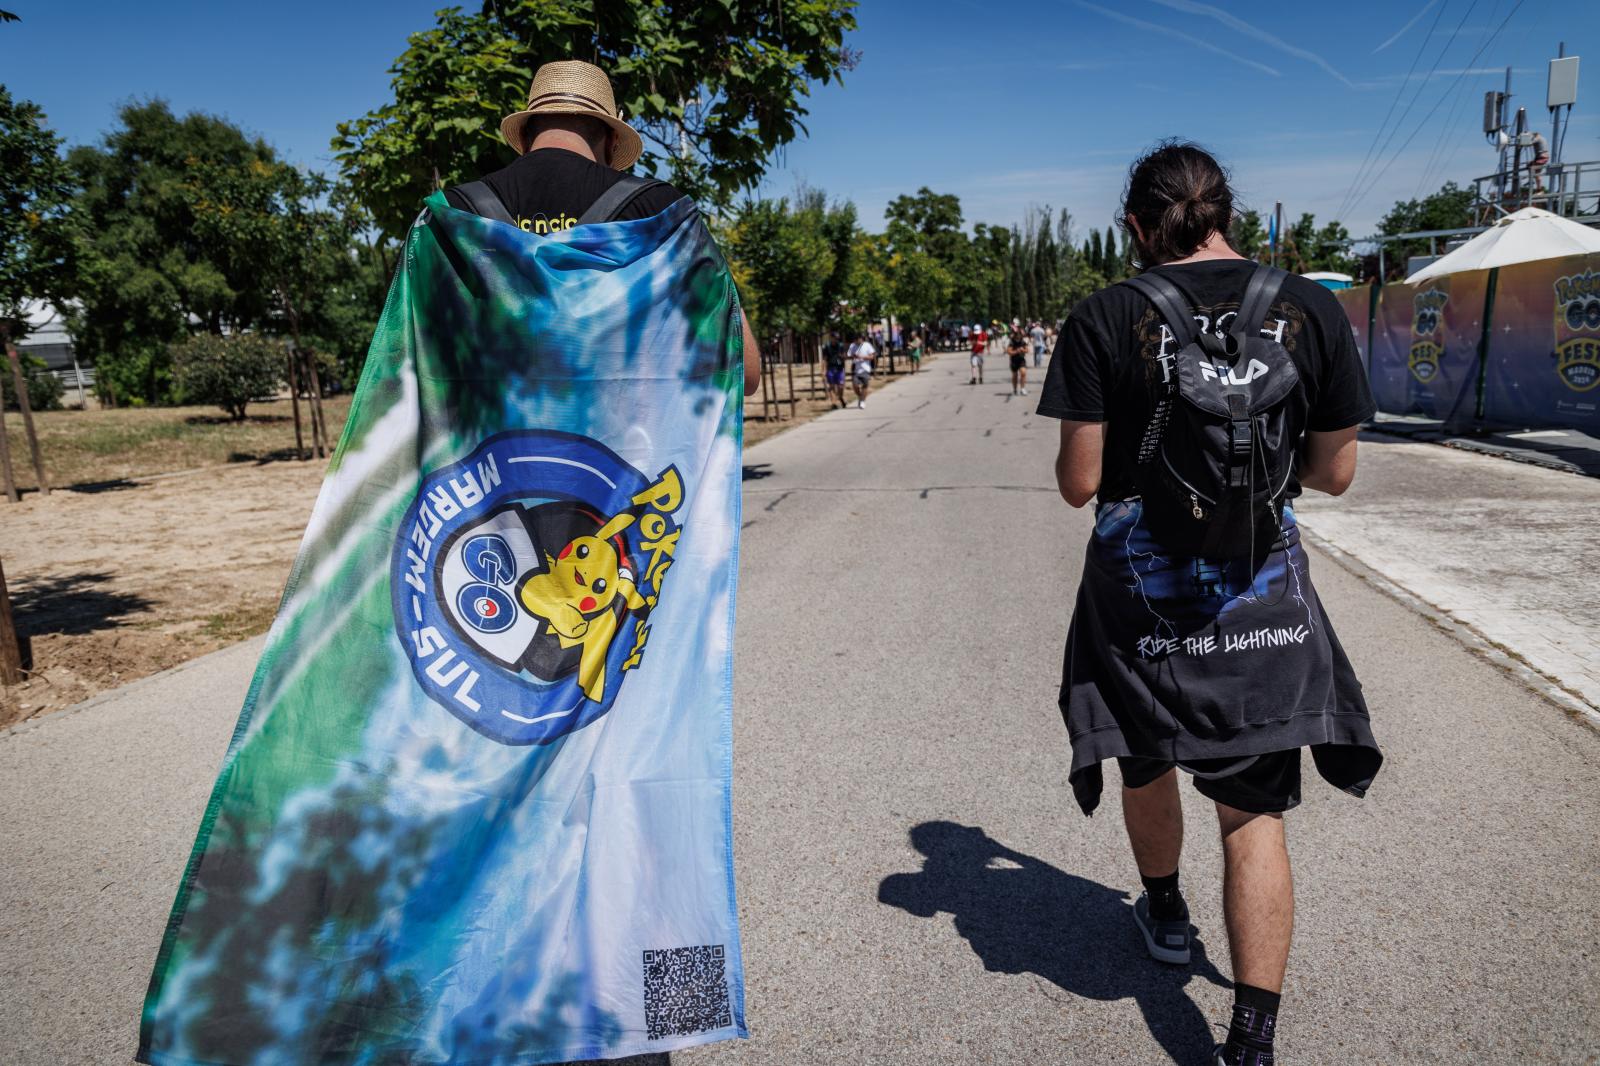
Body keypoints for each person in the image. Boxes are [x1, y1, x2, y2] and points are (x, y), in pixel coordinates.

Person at [1036, 141, 1382, 1066]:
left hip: (1138, 601)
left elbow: (1078, 484)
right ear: (1228, 210)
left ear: (1137, 226)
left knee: (1145, 762)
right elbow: (1336, 474)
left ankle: (1164, 910)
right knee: (1252, 808)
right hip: (1261, 591)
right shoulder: (1307, 307)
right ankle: (1253, 1039)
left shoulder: (1106, 314)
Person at [442, 60, 759, 395]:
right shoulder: (662, 212)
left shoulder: (449, 214)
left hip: (487, 444)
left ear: (524, 136)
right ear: (611, 140)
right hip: (615, 445)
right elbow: (744, 369)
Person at [849, 332, 875, 408]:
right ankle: (860, 397)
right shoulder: (853, 346)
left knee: (865, 385)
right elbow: (851, 355)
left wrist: (862, 357)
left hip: (865, 369)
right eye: (856, 340)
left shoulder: (867, 345)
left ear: (861, 339)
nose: (857, 341)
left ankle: (862, 401)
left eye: (858, 339)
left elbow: (872, 357)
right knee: (855, 385)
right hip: (856, 369)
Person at [823, 333, 848, 408]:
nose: (836, 339)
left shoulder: (841, 346)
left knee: (841, 386)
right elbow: (824, 359)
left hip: (840, 368)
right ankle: (833, 403)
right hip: (830, 368)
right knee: (831, 386)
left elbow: (844, 357)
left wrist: (843, 357)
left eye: (837, 338)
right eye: (834, 338)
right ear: (831, 338)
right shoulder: (827, 346)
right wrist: (823, 370)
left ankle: (840, 397)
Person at [1007, 328, 1029, 396]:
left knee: (1023, 373)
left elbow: (1027, 350)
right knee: (1015, 375)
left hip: (1021, 360)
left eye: (1020, 334)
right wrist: (1016, 351)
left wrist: (1023, 350)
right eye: (1018, 334)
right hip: (1014, 360)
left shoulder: (1023, 342)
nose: (1019, 336)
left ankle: (1022, 388)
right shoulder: (1012, 342)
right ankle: (1015, 389)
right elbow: (1009, 352)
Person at [1529, 130, 1551, 195]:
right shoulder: (1543, 138)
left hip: (1541, 157)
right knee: (1532, 168)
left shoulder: (1538, 138)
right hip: (1542, 157)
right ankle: (1538, 188)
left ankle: (1538, 189)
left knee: (1535, 170)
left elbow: (1529, 143)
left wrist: (1527, 138)